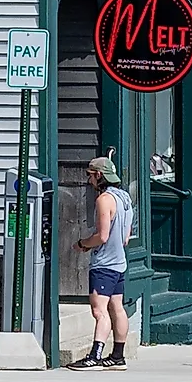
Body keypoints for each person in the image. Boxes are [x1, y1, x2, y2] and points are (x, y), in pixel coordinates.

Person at [64, 156, 133, 370]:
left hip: (104, 263)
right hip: (119, 262)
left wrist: (83, 244)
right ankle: (118, 356)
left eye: (90, 175)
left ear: (98, 176)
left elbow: (102, 236)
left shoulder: (104, 200)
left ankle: (95, 355)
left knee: (99, 311)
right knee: (117, 308)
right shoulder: (125, 198)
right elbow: (126, 237)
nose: (88, 180)